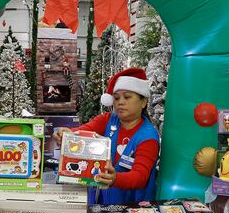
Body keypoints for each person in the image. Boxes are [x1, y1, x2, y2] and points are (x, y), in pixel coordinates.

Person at [54, 68, 160, 204]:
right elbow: (81, 132)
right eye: (116, 98)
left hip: (132, 207)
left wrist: (115, 179)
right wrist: (66, 133)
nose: (120, 102)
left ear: (144, 102)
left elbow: (140, 176)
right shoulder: (107, 120)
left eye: (127, 97)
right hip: (102, 203)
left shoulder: (148, 136)